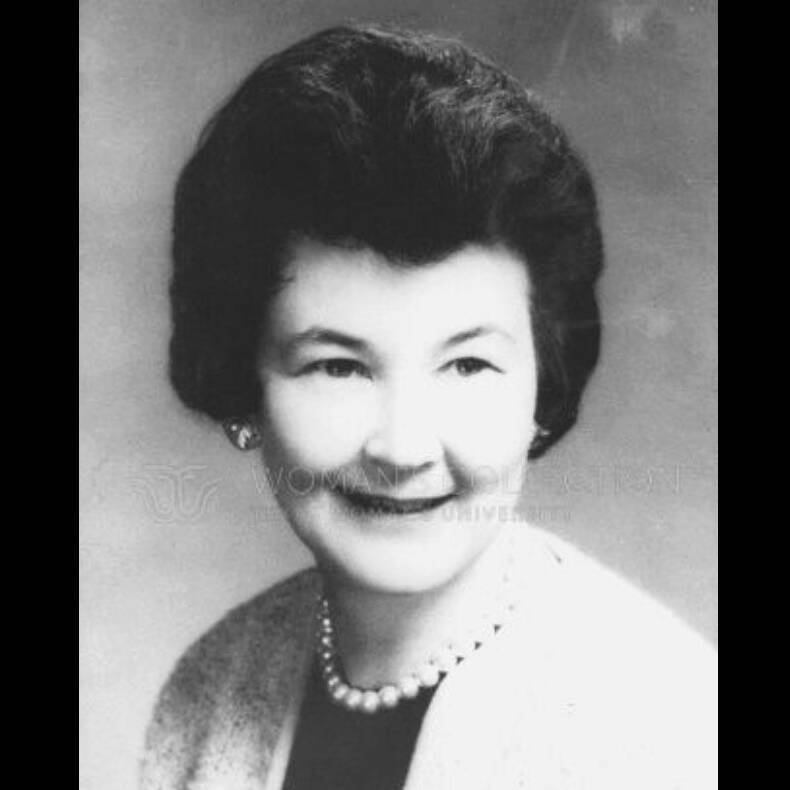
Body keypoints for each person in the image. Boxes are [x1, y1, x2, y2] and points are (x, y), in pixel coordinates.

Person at [141, 23, 716, 790]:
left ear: (542, 387)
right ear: (242, 387)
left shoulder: (663, 726)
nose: (403, 447)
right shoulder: (211, 687)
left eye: (468, 364)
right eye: (339, 366)